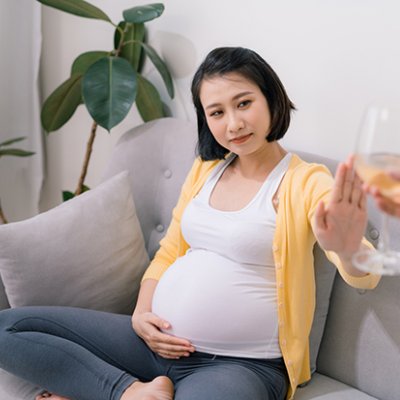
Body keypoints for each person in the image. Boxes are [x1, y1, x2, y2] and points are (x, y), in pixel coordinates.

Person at [0, 47, 381, 400]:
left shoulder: (307, 181)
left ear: (271, 99)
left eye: (244, 103)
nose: (233, 124)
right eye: (216, 112)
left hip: (240, 365)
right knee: (7, 328)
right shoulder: (206, 170)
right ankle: (129, 393)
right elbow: (170, 252)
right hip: (152, 344)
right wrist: (141, 315)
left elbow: (366, 273)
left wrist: (347, 248)